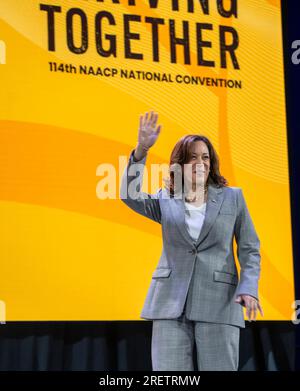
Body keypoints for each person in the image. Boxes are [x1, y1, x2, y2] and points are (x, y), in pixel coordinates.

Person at [120, 110, 263, 371]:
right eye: (193, 157)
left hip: (220, 301)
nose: (201, 162)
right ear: (179, 164)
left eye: (205, 157)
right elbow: (128, 195)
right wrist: (141, 150)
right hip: (170, 304)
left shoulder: (233, 198)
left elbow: (250, 249)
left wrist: (248, 288)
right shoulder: (166, 199)